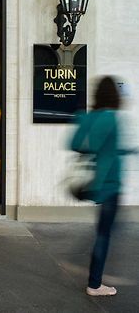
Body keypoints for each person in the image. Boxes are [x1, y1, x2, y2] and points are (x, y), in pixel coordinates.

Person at [70, 76, 133, 297]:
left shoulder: (89, 117)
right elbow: (111, 150)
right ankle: (95, 284)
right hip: (110, 185)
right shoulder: (113, 119)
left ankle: (94, 279)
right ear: (114, 96)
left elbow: (75, 144)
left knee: (103, 232)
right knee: (104, 235)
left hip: (95, 183)